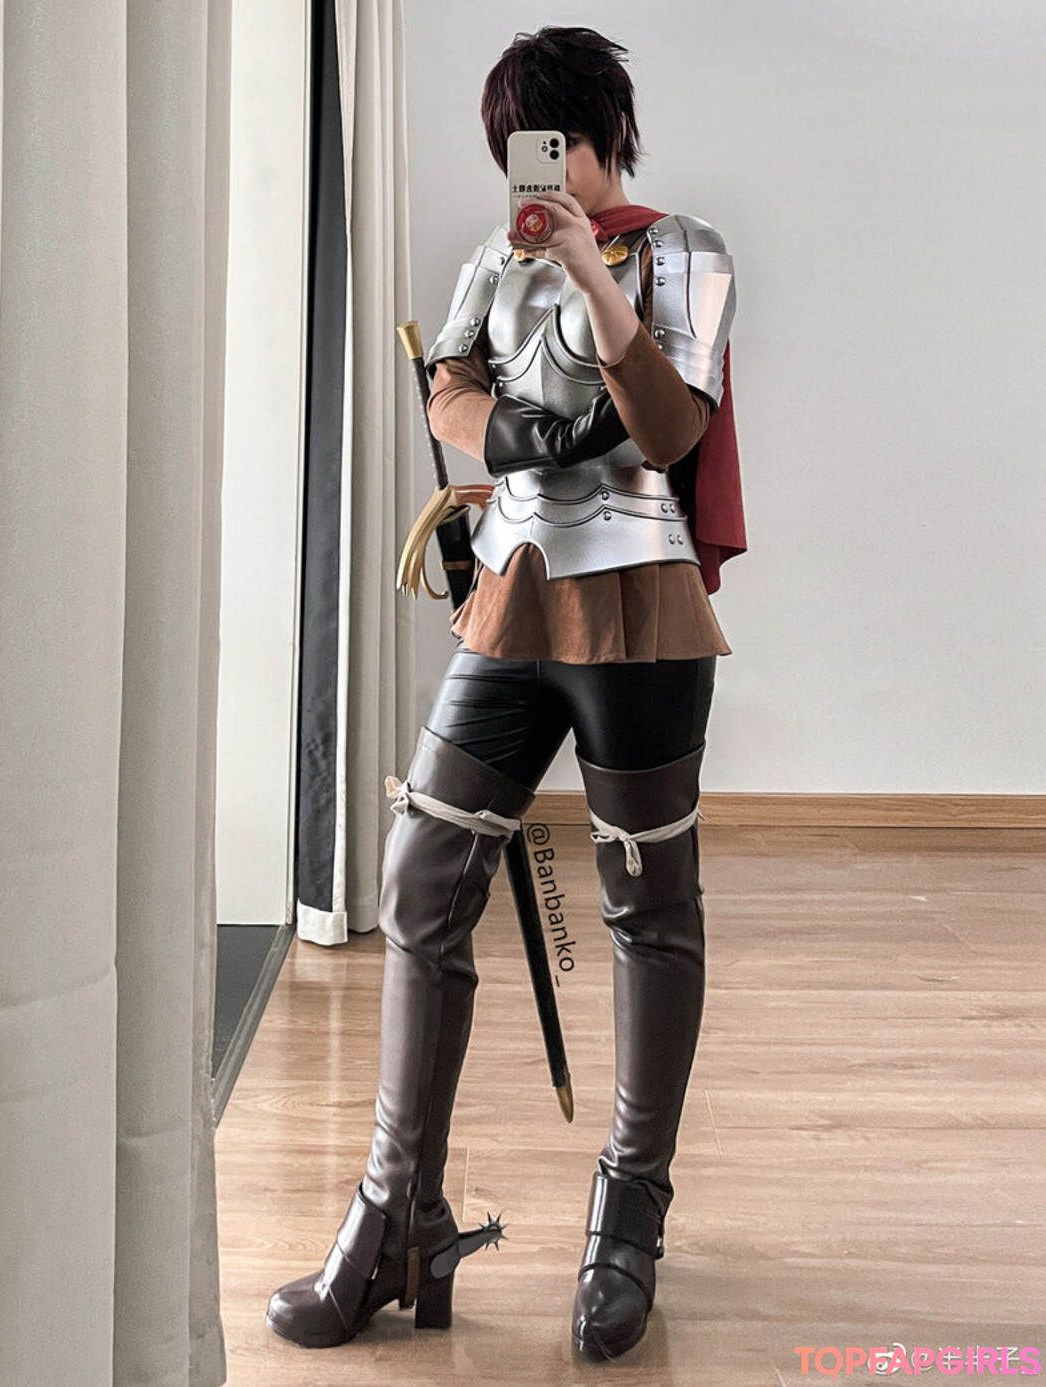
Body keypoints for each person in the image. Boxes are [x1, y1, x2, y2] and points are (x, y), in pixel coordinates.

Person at [266, 24, 745, 1361]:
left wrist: (593, 271)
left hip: (639, 606)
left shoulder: (684, 248)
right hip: (512, 599)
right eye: (525, 146)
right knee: (422, 880)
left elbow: (671, 427)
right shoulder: (494, 257)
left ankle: (629, 1219)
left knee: (648, 906)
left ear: (606, 132)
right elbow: (452, 386)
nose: (545, 167)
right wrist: (504, 428)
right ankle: (396, 1217)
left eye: (562, 139)